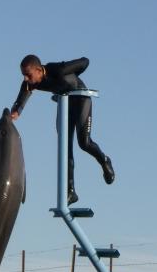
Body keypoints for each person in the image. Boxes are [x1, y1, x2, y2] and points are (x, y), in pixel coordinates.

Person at [11, 54, 114, 204]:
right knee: (64, 148)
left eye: (28, 75)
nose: (26, 79)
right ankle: (71, 191)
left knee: (84, 143)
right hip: (64, 103)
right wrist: (15, 112)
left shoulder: (57, 70)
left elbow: (85, 62)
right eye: (23, 75)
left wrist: (71, 73)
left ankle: (104, 161)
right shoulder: (30, 83)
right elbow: (21, 99)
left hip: (81, 99)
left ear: (39, 70)